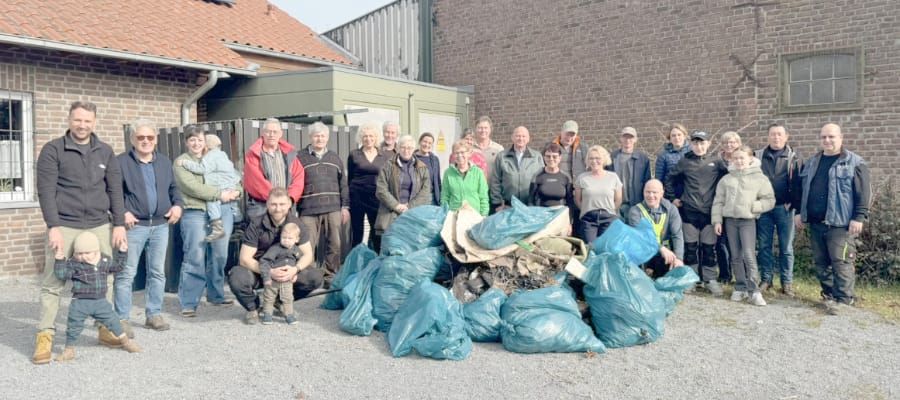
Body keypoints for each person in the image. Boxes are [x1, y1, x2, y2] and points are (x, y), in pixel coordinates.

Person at [33, 101, 127, 365]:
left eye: (87, 121)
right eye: (77, 120)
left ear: (94, 122)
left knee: (105, 279)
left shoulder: (105, 151)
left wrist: (118, 223)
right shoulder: (53, 150)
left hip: (99, 224)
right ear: (69, 120)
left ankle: (105, 328)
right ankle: (45, 336)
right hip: (65, 223)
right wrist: (53, 226)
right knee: (53, 284)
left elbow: (114, 190)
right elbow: (46, 191)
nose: (82, 125)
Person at [115, 119, 183, 336]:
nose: (145, 141)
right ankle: (122, 318)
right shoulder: (120, 162)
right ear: (132, 139)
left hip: (161, 226)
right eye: (140, 137)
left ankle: (153, 314)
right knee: (127, 274)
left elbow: (174, 188)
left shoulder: (164, 162)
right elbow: (113, 192)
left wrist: (178, 206)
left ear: (156, 139)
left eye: (150, 137)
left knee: (157, 272)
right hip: (134, 226)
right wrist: (122, 212)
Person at [794, 123, 871, 314]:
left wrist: (859, 216)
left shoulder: (854, 162)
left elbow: (863, 193)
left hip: (841, 223)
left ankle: (844, 300)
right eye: (823, 137)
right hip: (816, 222)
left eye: (831, 137)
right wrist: (799, 212)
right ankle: (829, 295)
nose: (827, 140)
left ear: (841, 138)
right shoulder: (812, 162)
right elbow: (801, 190)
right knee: (821, 262)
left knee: (841, 261)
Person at [228, 188, 324, 325]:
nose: (278, 209)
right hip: (260, 271)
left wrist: (295, 270)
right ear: (267, 204)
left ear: (289, 205)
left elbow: (308, 255)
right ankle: (253, 307)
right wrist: (269, 272)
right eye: (273, 204)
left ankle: (280, 301)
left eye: (282, 204)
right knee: (237, 276)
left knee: (315, 277)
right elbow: (244, 258)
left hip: (287, 272)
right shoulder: (256, 224)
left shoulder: (298, 224)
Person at [173, 126, 242, 317]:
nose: (196, 144)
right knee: (195, 256)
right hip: (196, 212)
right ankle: (189, 302)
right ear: (186, 142)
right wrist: (221, 194)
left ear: (205, 142)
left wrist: (237, 190)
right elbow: (193, 188)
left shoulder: (215, 156)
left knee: (219, 255)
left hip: (223, 210)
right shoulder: (182, 162)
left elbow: (234, 176)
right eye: (192, 140)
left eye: (200, 140)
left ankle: (216, 294)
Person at [53, 232, 141, 361]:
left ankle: (126, 342)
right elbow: (62, 275)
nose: (83, 257)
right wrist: (59, 261)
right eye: (79, 254)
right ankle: (69, 349)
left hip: (100, 302)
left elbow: (119, 267)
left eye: (87, 253)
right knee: (73, 326)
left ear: (96, 251)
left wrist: (122, 252)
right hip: (80, 302)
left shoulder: (105, 261)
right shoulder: (74, 263)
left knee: (114, 321)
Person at [665, 130, 728, 296]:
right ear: (691, 144)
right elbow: (669, 179)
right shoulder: (684, 161)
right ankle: (691, 279)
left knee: (709, 249)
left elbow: (728, 181)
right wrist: (673, 198)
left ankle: (710, 280)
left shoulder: (717, 162)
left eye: (702, 143)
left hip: (709, 213)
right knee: (690, 248)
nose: (699, 146)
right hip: (689, 212)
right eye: (695, 143)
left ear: (708, 144)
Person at [712, 146, 775, 306]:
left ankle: (754, 290)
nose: (739, 161)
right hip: (731, 221)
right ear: (732, 160)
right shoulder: (726, 179)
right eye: (736, 158)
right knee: (735, 256)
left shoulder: (760, 179)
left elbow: (769, 199)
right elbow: (718, 201)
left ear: (750, 159)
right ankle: (740, 286)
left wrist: (755, 207)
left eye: (742, 158)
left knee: (748, 254)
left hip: (748, 221)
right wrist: (717, 220)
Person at [296, 122, 350, 284]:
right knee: (306, 245)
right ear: (310, 137)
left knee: (334, 244)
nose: (319, 139)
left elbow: (343, 184)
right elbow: (295, 183)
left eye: (323, 136)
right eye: (316, 135)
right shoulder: (300, 158)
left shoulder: (335, 158)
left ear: (327, 138)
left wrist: (345, 207)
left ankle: (330, 277)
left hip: (333, 208)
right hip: (308, 209)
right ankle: (308, 278)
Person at [755, 123, 801, 296]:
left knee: (786, 247)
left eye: (779, 134)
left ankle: (786, 282)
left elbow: (798, 183)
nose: (776, 137)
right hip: (764, 208)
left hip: (785, 208)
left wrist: (793, 202)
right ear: (768, 136)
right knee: (764, 245)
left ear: (786, 137)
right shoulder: (758, 156)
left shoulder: (793, 157)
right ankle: (766, 279)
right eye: (773, 134)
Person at [177, 134, 241, 241]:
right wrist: (236, 190)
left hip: (219, 187)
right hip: (230, 186)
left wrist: (185, 163)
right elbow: (235, 173)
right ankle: (238, 222)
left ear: (206, 147)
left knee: (212, 202)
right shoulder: (224, 155)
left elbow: (201, 169)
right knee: (233, 204)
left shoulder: (210, 156)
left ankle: (217, 227)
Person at [374, 135, 432, 250]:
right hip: (391, 212)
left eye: (409, 148)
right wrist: (396, 205)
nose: (406, 151)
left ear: (413, 149)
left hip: (412, 213)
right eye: (403, 147)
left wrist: (409, 207)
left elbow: (426, 192)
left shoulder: (421, 167)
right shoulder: (388, 165)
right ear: (398, 148)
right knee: (390, 247)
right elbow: (381, 189)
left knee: (409, 247)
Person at [243, 118, 305, 219]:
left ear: (280, 134)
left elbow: (299, 177)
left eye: (275, 132)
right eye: (268, 132)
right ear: (263, 133)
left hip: (286, 208)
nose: (271, 135)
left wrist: (289, 199)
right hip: (261, 209)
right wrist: (277, 201)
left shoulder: (290, 154)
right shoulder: (253, 155)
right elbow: (255, 182)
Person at [627, 180, 684, 278]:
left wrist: (678, 258)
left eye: (654, 192)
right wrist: (660, 248)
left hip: (663, 255)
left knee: (672, 269)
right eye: (647, 192)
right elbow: (640, 236)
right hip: (643, 253)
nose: (651, 195)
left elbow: (677, 235)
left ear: (662, 193)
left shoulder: (671, 210)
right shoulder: (635, 211)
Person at [347, 122, 388, 249]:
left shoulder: (383, 156)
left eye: (371, 136)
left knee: (377, 233)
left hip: (375, 198)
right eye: (365, 136)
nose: (368, 139)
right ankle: (356, 264)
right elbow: (349, 179)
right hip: (357, 198)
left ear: (376, 138)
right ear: (361, 138)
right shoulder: (354, 154)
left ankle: (376, 262)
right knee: (357, 233)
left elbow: (385, 179)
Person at [574, 145, 622, 244]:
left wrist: (610, 210)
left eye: (597, 158)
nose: (594, 161)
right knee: (591, 248)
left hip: (608, 218)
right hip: (588, 220)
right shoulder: (582, 178)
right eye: (591, 158)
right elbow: (577, 200)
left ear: (604, 159)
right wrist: (586, 209)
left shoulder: (613, 177)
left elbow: (618, 200)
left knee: (606, 247)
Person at [258, 222, 303, 325]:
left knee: (288, 298)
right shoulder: (275, 249)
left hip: (287, 280)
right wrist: (266, 277)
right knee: (269, 297)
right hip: (273, 280)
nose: (286, 241)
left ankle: (289, 315)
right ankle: (267, 314)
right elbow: (264, 261)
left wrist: (296, 274)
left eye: (290, 238)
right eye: (284, 238)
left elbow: (299, 263)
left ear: (296, 239)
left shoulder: (297, 250)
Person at [490, 126, 544, 211]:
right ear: (512, 137)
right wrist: (497, 203)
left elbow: (542, 180)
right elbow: (495, 181)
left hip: (530, 206)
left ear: (528, 139)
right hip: (508, 206)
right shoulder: (502, 156)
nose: (520, 139)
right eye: (518, 136)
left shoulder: (537, 157)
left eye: (524, 136)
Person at [714, 130, 743, 284]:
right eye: (726, 143)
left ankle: (740, 276)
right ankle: (725, 275)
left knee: (738, 244)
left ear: (738, 144)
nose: (729, 145)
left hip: (739, 208)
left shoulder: (744, 160)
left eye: (732, 142)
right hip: (721, 207)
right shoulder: (716, 162)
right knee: (721, 243)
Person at [607, 126, 651, 218]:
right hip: (616, 204)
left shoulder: (643, 159)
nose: (628, 140)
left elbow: (647, 182)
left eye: (631, 137)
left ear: (635, 140)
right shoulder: (612, 157)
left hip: (636, 204)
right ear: (621, 139)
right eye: (625, 137)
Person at [441, 141, 489, 215]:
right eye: (456, 153)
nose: (459, 155)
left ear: (468, 154)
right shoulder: (448, 173)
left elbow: (483, 197)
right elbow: (445, 196)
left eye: (462, 152)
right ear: (453, 155)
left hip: (474, 215)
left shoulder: (478, 172)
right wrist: (445, 214)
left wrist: (484, 215)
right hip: (454, 215)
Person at [529, 142, 574, 208]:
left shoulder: (566, 177)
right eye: (548, 156)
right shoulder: (537, 176)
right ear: (544, 157)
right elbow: (531, 201)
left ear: (560, 158)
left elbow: (570, 201)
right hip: (542, 214)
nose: (551, 159)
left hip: (560, 214)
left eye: (554, 156)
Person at [655, 122, 691, 199]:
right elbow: (659, 179)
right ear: (670, 138)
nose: (676, 138)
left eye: (679, 135)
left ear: (684, 136)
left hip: (690, 196)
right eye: (673, 135)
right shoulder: (663, 155)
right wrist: (672, 199)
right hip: (671, 196)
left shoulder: (692, 152)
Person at [415, 132, 442, 205]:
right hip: (416, 198)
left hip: (432, 198)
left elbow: (438, 180)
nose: (427, 145)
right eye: (425, 141)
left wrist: (439, 198)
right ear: (420, 142)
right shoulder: (412, 158)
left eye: (430, 143)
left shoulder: (435, 160)